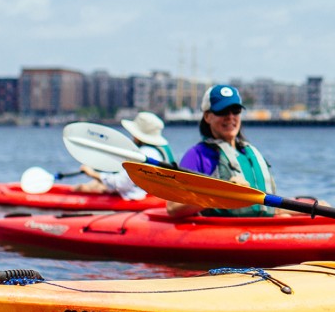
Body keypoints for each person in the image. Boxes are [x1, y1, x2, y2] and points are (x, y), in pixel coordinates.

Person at [165, 84, 278, 218]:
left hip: (262, 229)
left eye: (235, 110)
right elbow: (173, 208)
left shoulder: (249, 154)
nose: (230, 117)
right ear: (207, 116)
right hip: (223, 231)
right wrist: (223, 191)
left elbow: (271, 210)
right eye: (222, 111)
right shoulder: (197, 155)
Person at [75, 111, 169, 200]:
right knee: (94, 184)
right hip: (144, 193)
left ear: (137, 135)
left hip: (136, 197)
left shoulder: (141, 155)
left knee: (82, 188)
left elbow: (121, 183)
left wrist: (92, 173)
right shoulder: (156, 152)